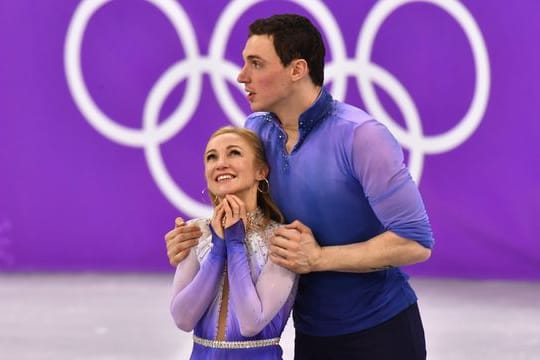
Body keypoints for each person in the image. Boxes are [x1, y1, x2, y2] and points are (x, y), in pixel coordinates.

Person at [165, 14, 434, 360]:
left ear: (297, 70)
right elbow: (251, 226)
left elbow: (416, 242)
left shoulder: (362, 137)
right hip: (309, 335)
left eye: (256, 64)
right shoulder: (257, 131)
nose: (241, 76)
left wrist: (320, 258)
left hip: (381, 333)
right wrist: (196, 239)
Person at [167, 126, 298, 359]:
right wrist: (218, 247)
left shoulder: (281, 240)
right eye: (211, 157)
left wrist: (235, 244)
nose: (220, 163)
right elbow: (183, 319)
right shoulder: (197, 234)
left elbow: (251, 322)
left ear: (261, 171)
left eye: (234, 153)